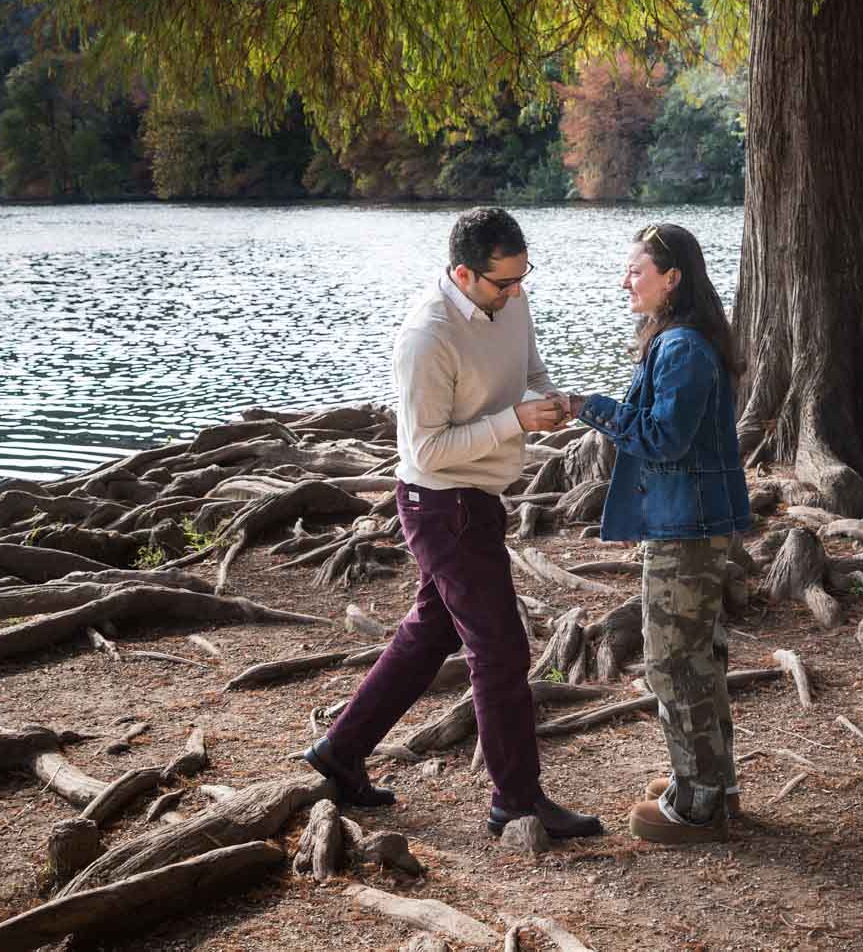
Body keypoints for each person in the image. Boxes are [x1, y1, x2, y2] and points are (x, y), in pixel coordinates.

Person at [303, 207, 604, 841]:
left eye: (524, 277)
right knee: (500, 651)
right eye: (503, 282)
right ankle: (517, 801)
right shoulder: (427, 337)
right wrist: (514, 423)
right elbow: (425, 452)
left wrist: (547, 402)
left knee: (428, 634)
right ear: (462, 273)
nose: (517, 291)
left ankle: (339, 751)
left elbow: (530, 372)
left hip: (481, 501)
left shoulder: (510, 301)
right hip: (442, 506)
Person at [566, 222, 751, 844]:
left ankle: (697, 807)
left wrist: (589, 407)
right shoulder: (683, 342)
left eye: (636, 271)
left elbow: (663, 440)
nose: (626, 281)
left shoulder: (683, 349)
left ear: (672, 279)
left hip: (689, 527)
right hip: (691, 521)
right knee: (697, 657)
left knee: (674, 663)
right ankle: (707, 785)